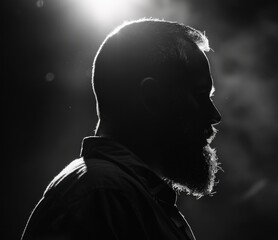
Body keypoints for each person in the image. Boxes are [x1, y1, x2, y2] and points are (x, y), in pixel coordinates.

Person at [21, 18, 221, 240]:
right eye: (201, 95)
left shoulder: (115, 195)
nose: (215, 116)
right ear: (153, 98)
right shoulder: (104, 196)